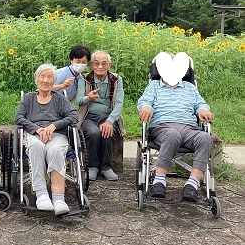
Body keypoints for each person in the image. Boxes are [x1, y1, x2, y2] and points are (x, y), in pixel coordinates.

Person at [137, 53, 214, 202]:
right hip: (162, 127)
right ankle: (159, 181)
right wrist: (146, 107)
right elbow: (144, 101)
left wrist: (202, 110)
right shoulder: (154, 86)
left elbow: (200, 103)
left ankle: (192, 185)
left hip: (189, 128)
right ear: (160, 70)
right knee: (172, 135)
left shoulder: (190, 88)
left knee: (205, 138)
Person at [15, 63, 79, 216]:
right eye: (42, 77)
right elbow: (19, 117)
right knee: (36, 147)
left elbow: (73, 116)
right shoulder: (29, 98)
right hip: (34, 135)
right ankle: (42, 195)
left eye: (49, 77)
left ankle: (58, 199)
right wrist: (37, 129)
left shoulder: (59, 99)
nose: (45, 80)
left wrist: (53, 126)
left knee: (55, 150)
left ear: (53, 81)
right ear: (36, 80)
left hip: (56, 135)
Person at [76, 50, 124, 181]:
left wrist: (110, 121)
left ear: (109, 65)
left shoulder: (116, 79)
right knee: (93, 132)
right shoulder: (84, 78)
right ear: (92, 65)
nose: (100, 67)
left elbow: (119, 104)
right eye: (96, 63)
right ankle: (92, 166)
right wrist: (88, 98)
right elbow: (79, 100)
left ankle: (106, 167)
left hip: (107, 116)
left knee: (107, 131)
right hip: (88, 116)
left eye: (104, 63)